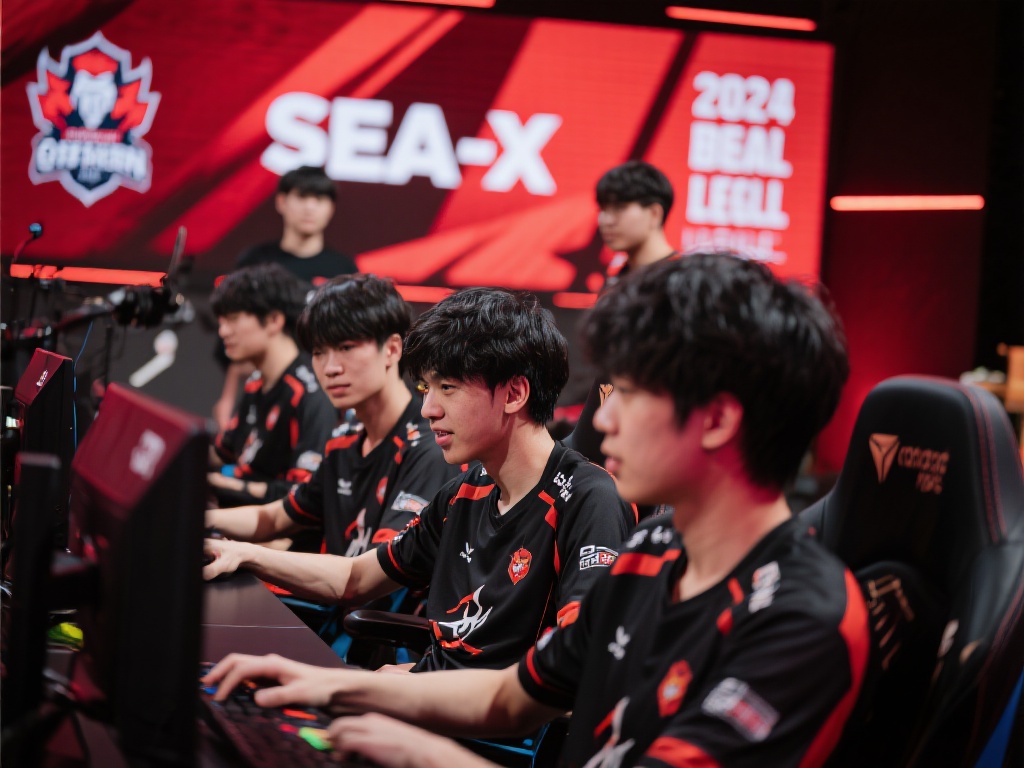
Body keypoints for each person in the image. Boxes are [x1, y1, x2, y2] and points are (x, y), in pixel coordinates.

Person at [205, 253, 870, 768]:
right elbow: (512, 697)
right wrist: (327, 687)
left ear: (718, 419)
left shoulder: (801, 618)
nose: (603, 420)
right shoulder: (655, 550)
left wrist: (424, 754)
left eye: (631, 394)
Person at [206, 287, 635, 672]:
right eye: (425, 389)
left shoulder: (589, 499)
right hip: (421, 701)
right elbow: (355, 578)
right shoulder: (462, 493)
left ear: (514, 394)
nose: (429, 409)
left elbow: (571, 673)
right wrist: (243, 554)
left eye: (447, 388)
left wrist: (392, 690)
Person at [206, 274, 458, 581]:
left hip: (357, 609)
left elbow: (364, 579)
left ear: (392, 349)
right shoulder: (344, 439)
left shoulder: (429, 449)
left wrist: (247, 554)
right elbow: (275, 518)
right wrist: (200, 519)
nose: (330, 368)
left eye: (346, 347)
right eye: (318, 352)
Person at [213, 165, 358, 430]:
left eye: (319, 199)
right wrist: (228, 398)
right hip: (261, 393)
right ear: (281, 201)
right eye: (302, 197)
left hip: (322, 395)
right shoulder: (254, 263)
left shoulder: (343, 270)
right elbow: (232, 344)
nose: (310, 207)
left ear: (331, 208)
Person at [566, 159, 678, 471]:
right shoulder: (614, 282)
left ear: (654, 213)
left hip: (650, 447)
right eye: (603, 209)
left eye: (618, 208)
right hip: (598, 431)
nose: (605, 220)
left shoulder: (680, 285)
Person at [207, 264, 338, 522]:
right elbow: (222, 453)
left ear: (274, 320)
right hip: (236, 520)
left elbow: (302, 495)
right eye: (221, 321)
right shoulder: (256, 383)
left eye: (232, 319)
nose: (222, 331)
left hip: (275, 534)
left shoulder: (310, 394)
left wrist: (218, 483)